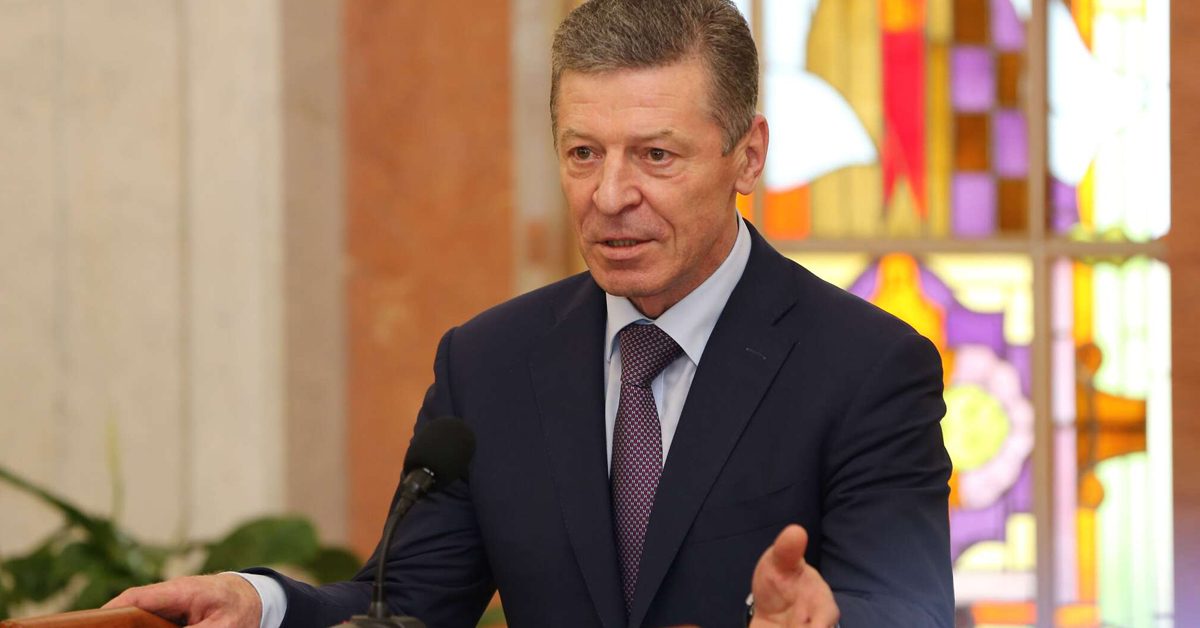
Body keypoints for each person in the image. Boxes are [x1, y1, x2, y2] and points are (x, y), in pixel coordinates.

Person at [105, 1, 952, 626]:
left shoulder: (868, 368)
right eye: (583, 153)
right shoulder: (489, 364)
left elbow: (904, 607)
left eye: (656, 156)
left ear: (749, 155)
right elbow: (405, 605)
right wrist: (260, 604)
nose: (610, 195)